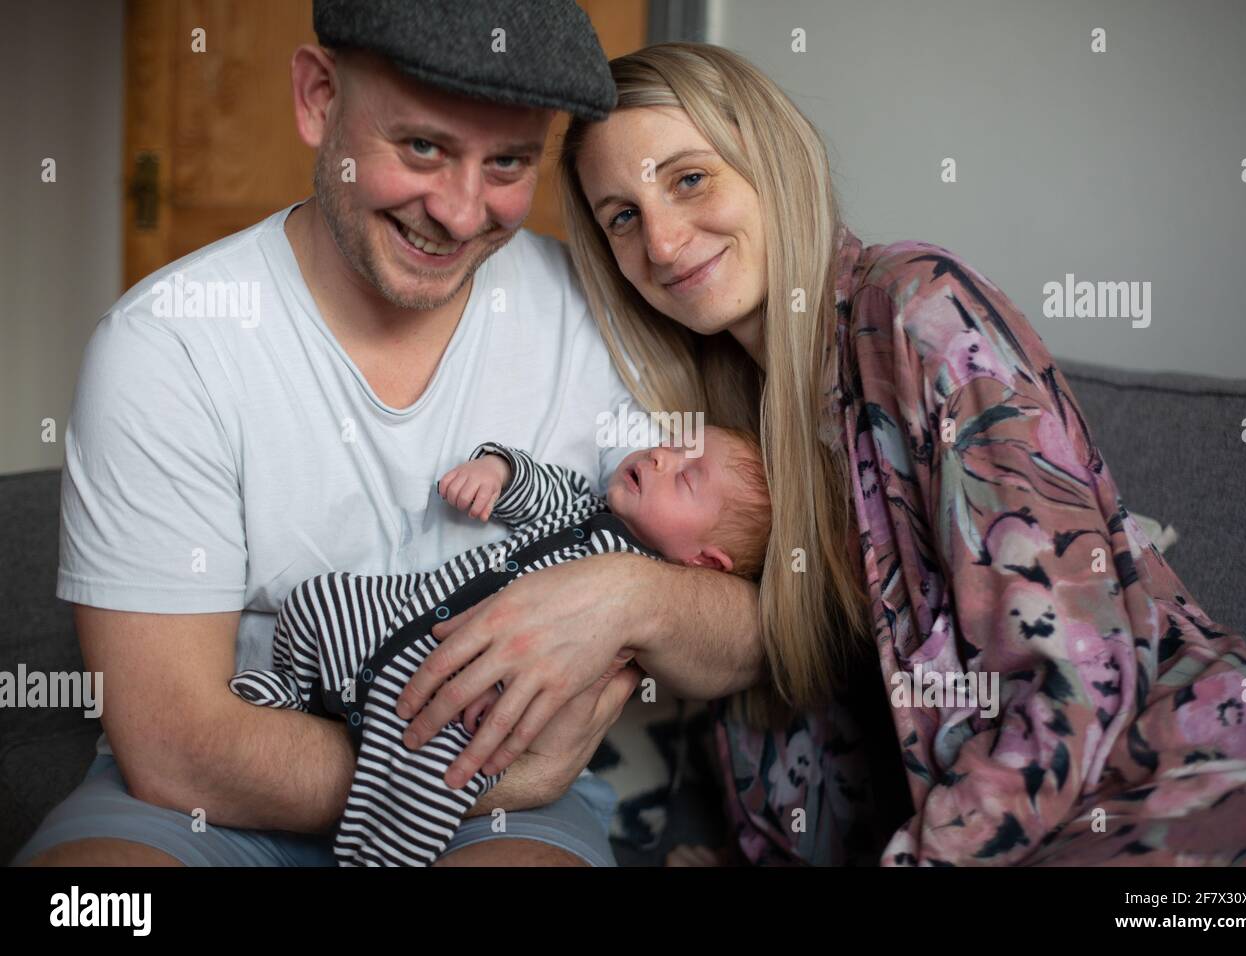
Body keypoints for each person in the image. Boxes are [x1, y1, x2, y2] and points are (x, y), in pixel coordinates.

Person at [14, 4, 766, 868]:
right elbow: (174, 744)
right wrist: (486, 776)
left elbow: (753, 623)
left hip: (500, 825)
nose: (456, 212)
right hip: (209, 803)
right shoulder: (166, 346)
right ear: (316, 98)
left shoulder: (599, 315)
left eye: (508, 162)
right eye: (422, 148)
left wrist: (632, 597)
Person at [547, 40, 1246, 865]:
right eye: (622, 215)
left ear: (768, 160)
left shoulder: (919, 310)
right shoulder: (726, 438)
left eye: (689, 178)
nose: (659, 242)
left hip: (1158, 792)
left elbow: (1074, 672)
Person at [228, 426, 771, 866]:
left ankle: (375, 857)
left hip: (463, 694)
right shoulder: (584, 507)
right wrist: (498, 470)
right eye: (673, 448)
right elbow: (541, 486)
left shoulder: (635, 623)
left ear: (705, 562)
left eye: (686, 478)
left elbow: (570, 674)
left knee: (430, 785)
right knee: (319, 600)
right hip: (397, 612)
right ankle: (295, 693)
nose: (660, 458)